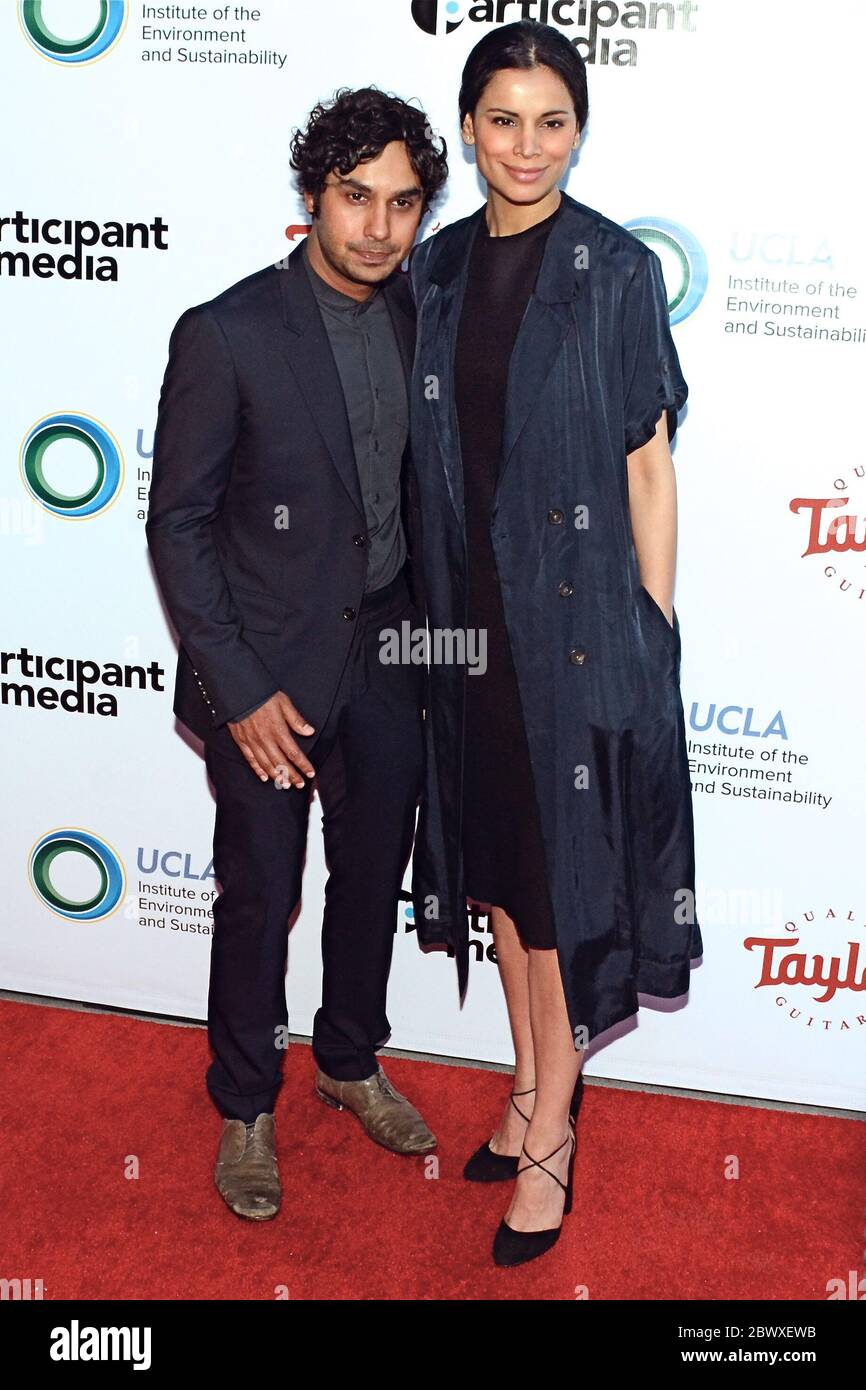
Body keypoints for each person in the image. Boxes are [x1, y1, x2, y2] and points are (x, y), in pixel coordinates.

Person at [407, 20, 702, 1267]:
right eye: (501, 120)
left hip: (576, 637)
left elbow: (645, 467)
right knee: (508, 888)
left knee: (557, 893)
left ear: (578, 130)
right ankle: (532, 1085)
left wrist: (652, 630)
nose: (526, 147)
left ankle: (552, 1143)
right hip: (464, 630)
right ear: (467, 130)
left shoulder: (615, 270)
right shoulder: (433, 269)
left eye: (552, 122)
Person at [146, 87, 448, 1221]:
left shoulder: (423, 314)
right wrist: (238, 691)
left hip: (389, 652)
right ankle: (245, 1105)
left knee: (371, 876)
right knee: (258, 890)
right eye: (353, 196)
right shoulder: (225, 332)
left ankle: (349, 1057)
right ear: (312, 196)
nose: (377, 226)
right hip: (263, 670)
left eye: (402, 203)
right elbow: (175, 523)